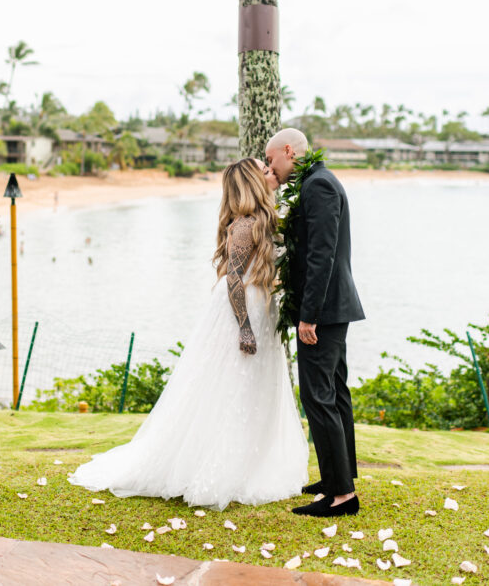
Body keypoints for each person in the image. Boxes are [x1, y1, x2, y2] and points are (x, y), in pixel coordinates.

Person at [68, 158, 307, 510]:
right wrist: (245, 327)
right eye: (264, 169)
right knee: (229, 387)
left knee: (255, 388)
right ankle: (218, 466)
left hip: (263, 308)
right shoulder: (243, 226)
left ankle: (252, 463)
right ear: (252, 182)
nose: (270, 172)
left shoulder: (266, 221)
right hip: (241, 313)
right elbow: (234, 280)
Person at [265, 128, 365, 518]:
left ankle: (341, 496)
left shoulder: (318, 186)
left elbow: (321, 256)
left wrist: (309, 316)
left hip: (324, 312)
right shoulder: (319, 180)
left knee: (318, 397)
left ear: (289, 151)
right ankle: (337, 478)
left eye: (272, 159)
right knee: (335, 394)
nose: (271, 166)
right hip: (335, 308)